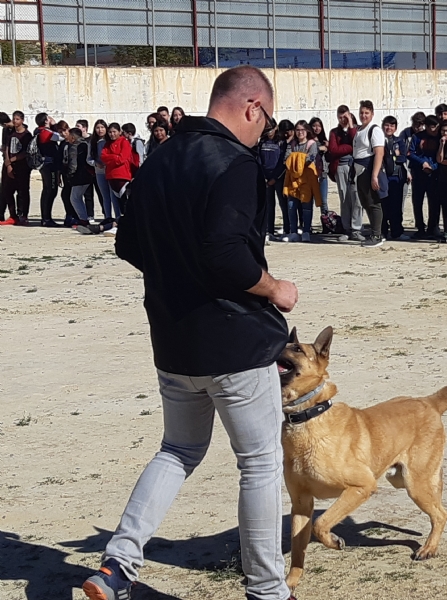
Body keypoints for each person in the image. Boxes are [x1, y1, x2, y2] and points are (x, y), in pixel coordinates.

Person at [82, 65, 298, 600]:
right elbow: (225, 253)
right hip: (236, 342)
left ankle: (116, 566)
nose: (263, 132)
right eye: (265, 122)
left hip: (173, 339)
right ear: (252, 107)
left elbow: (127, 244)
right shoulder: (235, 164)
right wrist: (274, 289)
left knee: (177, 450)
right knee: (261, 464)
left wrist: (175, 276)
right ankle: (268, 590)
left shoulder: (158, 159)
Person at [352, 99, 388, 248]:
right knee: (365, 202)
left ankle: (377, 235)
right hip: (359, 171)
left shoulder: (375, 130)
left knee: (373, 203)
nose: (363, 115)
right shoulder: (360, 130)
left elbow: (379, 153)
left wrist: (374, 175)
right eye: (361, 112)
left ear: (372, 114)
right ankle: (374, 231)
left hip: (368, 169)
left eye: (367, 113)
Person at [326, 106, 363, 241]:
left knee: (357, 198)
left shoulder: (357, 130)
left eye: (345, 117)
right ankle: (346, 229)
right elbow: (333, 150)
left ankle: (356, 229)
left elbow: (357, 143)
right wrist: (349, 148)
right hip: (341, 167)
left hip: (356, 167)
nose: (343, 120)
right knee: (344, 198)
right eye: (340, 117)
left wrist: (351, 126)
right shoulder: (334, 132)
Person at [282, 120, 320, 242]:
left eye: (302, 130)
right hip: (292, 180)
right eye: (297, 130)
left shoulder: (311, 144)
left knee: (306, 206)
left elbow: (311, 158)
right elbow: (286, 159)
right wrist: (300, 158)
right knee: (291, 206)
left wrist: (296, 158)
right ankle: (293, 231)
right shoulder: (292, 144)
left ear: (307, 131)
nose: (300, 133)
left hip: (307, 181)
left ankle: (306, 231)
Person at [408, 114, 441, 238]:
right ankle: (420, 227)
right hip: (419, 173)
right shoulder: (417, 137)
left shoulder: (439, 137)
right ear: (426, 126)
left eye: (435, 126)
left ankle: (433, 226)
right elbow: (410, 153)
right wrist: (422, 163)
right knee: (417, 201)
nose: (434, 129)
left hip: (434, 174)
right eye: (431, 127)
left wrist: (433, 167)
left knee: (434, 202)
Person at [0, 110, 33, 226]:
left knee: (23, 192)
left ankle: (23, 215)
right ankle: (13, 215)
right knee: (7, 191)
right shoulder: (11, 133)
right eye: (14, 119)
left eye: (17, 119)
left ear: (22, 120)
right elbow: (7, 148)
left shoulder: (27, 135)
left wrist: (13, 160)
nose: (15, 121)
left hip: (22, 167)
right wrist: (8, 164)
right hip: (11, 166)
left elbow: (26, 152)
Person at [381, 115, 410, 240]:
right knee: (383, 205)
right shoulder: (379, 141)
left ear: (396, 128)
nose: (389, 128)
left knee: (396, 206)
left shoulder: (399, 141)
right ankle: (382, 231)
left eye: (392, 126)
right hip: (383, 176)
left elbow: (403, 157)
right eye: (387, 125)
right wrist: (393, 155)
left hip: (396, 177)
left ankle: (397, 231)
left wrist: (390, 156)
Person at [34, 112, 64, 227]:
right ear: (46, 120)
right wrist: (55, 124)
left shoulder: (38, 131)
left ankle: (45, 217)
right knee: (51, 190)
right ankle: (46, 218)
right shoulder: (46, 132)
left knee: (47, 190)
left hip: (44, 164)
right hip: (49, 165)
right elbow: (62, 136)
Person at [258, 124, 285, 241]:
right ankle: (269, 230)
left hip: (277, 178)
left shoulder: (280, 142)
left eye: (271, 130)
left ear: (276, 128)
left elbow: (282, 162)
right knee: (269, 205)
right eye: (267, 130)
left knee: (283, 204)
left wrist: (275, 178)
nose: (269, 132)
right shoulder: (262, 142)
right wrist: (263, 176)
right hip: (265, 178)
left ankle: (287, 229)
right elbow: (258, 158)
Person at [101, 122, 134, 217]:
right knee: (118, 201)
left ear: (120, 132)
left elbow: (122, 159)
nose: (112, 134)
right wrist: (115, 156)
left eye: (114, 131)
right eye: (110, 132)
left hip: (122, 176)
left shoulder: (124, 142)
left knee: (125, 201)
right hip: (111, 176)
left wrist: (111, 158)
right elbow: (103, 157)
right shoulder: (107, 144)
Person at [87, 119, 117, 221]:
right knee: (105, 196)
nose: (100, 130)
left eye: (102, 127)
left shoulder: (111, 141)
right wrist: (96, 164)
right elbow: (89, 159)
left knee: (114, 196)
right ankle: (107, 216)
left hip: (112, 171)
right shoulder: (93, 142)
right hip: (100, 172)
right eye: (98, 128)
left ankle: (117, 217)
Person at [63, 127, 93, 226]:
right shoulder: (86, 144)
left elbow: (73, 164)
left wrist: (70, 175)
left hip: (79, 176)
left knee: (74, 198)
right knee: (78, 197)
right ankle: (85, 218)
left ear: (72, 137)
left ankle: (83, 219)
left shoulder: (74, 146)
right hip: (88, 175)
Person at [309, 117, 329, 214]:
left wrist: (328, 148)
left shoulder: (324, 140)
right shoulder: (308, 140)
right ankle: (307, 226)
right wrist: (319, 148)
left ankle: (326, 225)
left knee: (323, 201)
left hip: (322, 174)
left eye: (319, 126)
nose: (316, 128)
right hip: (310, 174)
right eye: (314, 126)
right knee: (309, 202)